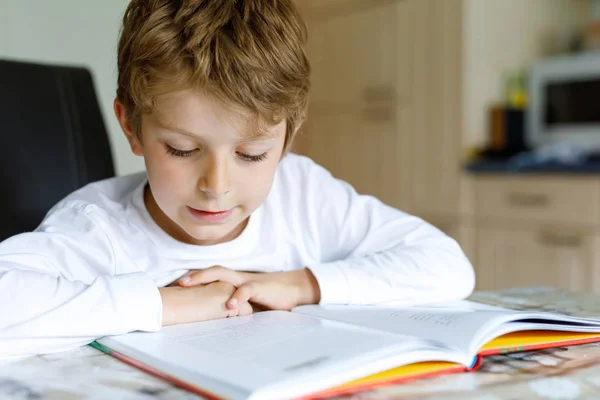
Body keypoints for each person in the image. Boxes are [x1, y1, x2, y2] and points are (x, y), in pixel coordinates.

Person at [0, 0, 474, 358]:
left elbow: (447, 265)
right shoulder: (98, 227)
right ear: (132, 127)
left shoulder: (304, 194)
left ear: (289, 137)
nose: (217, 185)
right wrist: (172, 304)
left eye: (252, 154)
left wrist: (299, 285)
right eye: (182, 149)